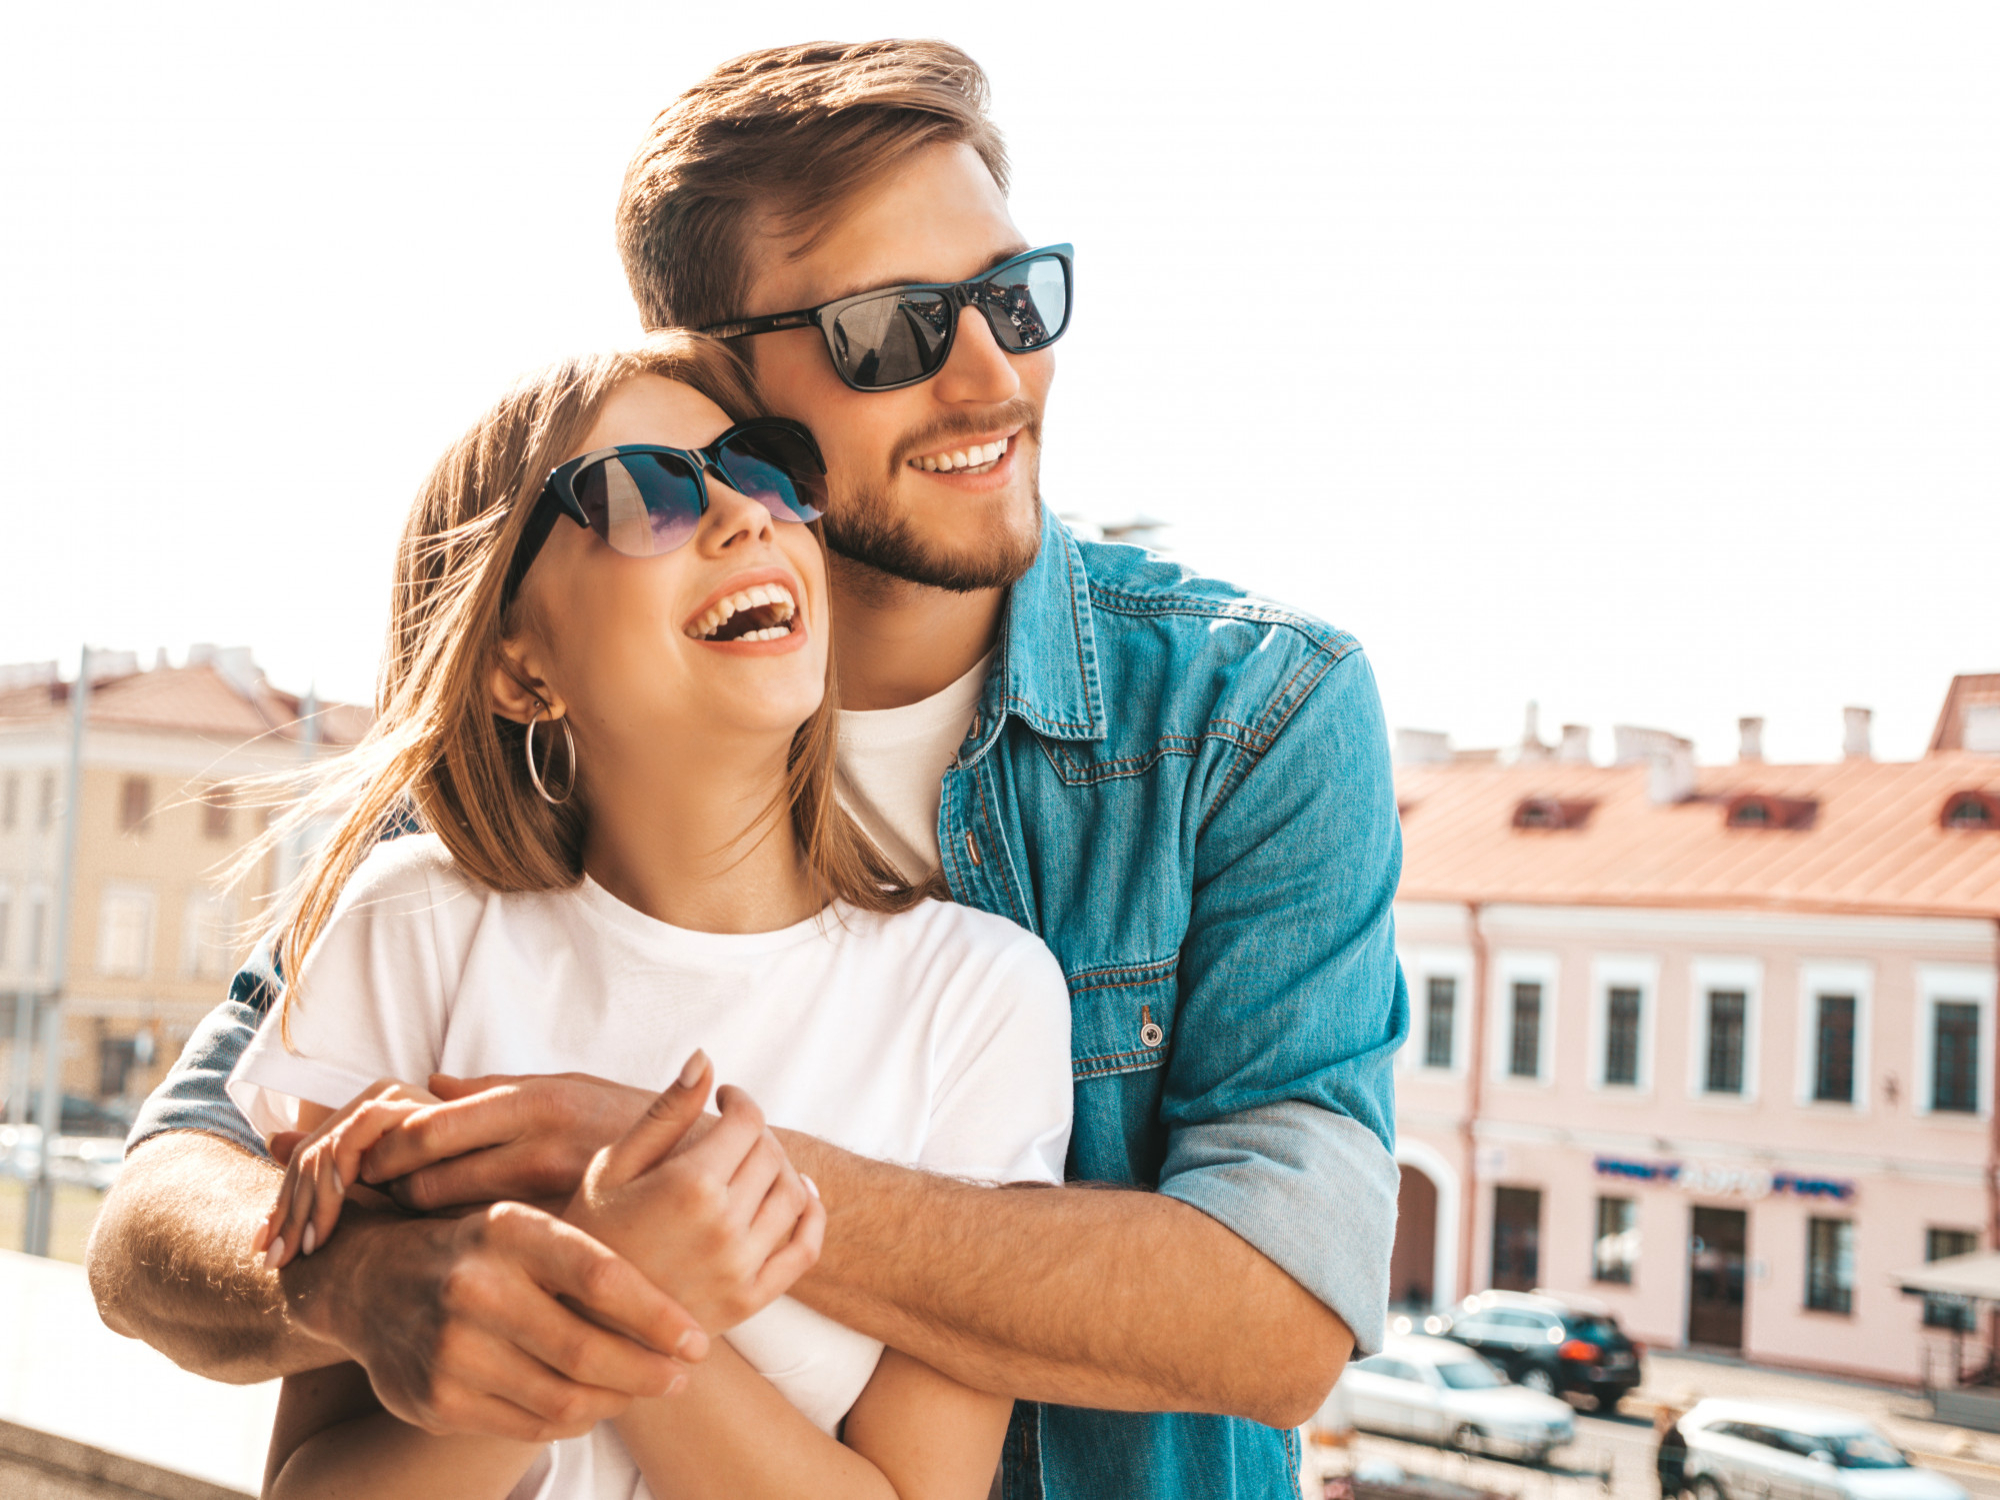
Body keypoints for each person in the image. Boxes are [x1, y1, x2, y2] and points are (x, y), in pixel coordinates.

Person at [88, 38, 1407, 1500]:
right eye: (892, 329)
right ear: (723, 372)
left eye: (1014, 300)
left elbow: (1284, 1316)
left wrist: (647, 1190)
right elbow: (169, 1210)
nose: (992, 378)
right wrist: (351, 1286)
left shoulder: (1255, 714)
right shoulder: (535, 765)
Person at [231, 333, 1073, 1499]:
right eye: (644, 493)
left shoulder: (981, 997)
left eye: (768, 468)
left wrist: (609, 1291)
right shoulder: (409, 929)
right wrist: (631, 1275)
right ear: (518, 665)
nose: (745, 517)